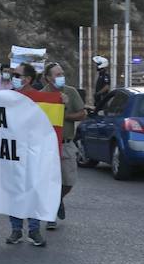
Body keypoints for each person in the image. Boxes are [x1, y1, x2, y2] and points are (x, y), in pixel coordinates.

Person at [6, 68, 48, 247]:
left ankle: (34, 229)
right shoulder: (7, 97)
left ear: (28, 79)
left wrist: (62, 103)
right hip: (12, 151)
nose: (13, 78)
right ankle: (16, 230)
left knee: (33, 189)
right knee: (14, 191)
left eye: (17, 76)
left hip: (33, 151)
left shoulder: (40, 98)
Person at [43, 62, 85, 231]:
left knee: (68, 181)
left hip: (66, 143)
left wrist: (65, 113)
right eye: (57, 74)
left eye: (62, 73)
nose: (61, 77)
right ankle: (50, 213)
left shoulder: (71, 92)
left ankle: (58, 200)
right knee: (48, 181)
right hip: (47, 146)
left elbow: (82, 114)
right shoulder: (41, 95)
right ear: (48, 78)